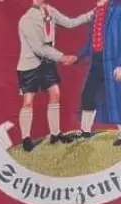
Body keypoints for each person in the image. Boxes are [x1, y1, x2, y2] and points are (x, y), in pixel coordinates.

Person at [14, 0, 91, 152]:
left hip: (48, 62)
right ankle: (26, 138)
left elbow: (69, 23)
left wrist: (91, 15)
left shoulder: (50, 11)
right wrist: (62, 57)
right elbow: (38, 48)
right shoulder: (26, 20)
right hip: (30, 65)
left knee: (55, 93)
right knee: (28, 101)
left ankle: (55, 134)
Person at [73, 0, 121, 145]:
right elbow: (92, 43)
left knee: (116, 97)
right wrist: (78, 56)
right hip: (96, 62)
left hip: (113, 62)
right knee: (88, 95)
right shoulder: (96, 12)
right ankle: (85, 130)